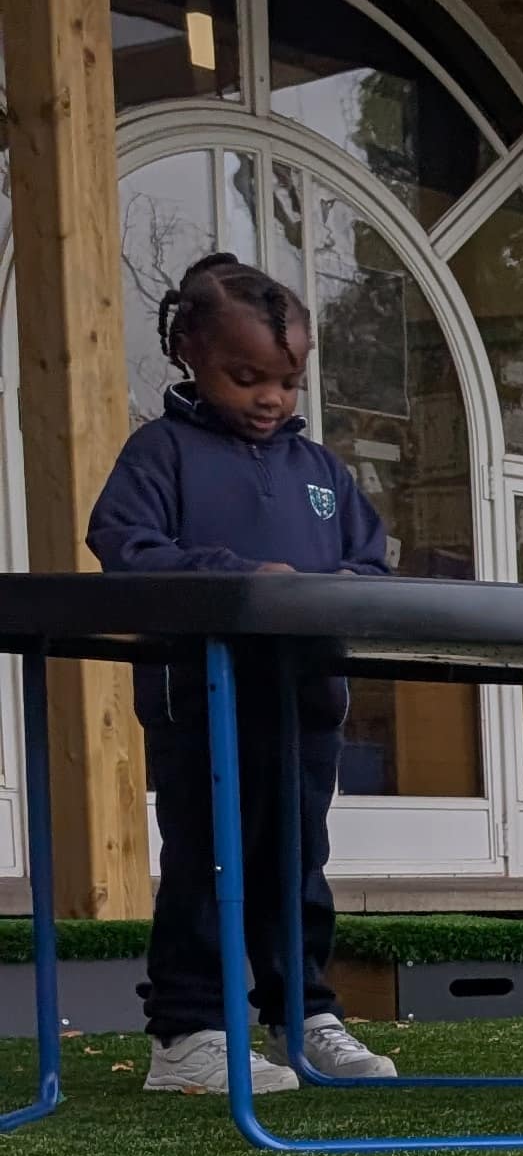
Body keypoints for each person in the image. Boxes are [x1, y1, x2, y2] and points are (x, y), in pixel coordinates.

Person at [88, 252, 394, 1095]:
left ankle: (303, 1014)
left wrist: (340, 590)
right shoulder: (160, 452)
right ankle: (188, 1031)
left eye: (287, 382)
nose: (271, 399)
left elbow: (370, 564)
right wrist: (241, 580)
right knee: (208, 858)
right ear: (189, 352)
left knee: (298, 856)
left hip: (306, 701)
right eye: (246, 377)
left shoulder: (323, 472)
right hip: (203, 699)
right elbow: (125, 545)